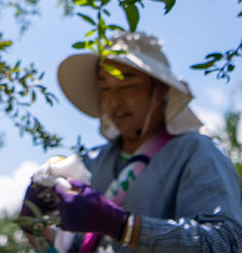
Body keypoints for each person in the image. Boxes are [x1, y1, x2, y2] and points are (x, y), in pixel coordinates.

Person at [18, 31, 242, 252]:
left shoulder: (194, 152)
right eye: (105, 88)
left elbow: (226, 242)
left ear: (159, 90)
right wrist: (38, 230)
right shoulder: (91, 163)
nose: (114, 101)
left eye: (127, 86)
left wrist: (124, 226)